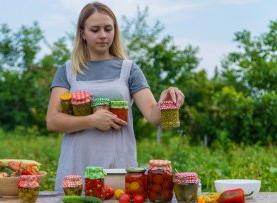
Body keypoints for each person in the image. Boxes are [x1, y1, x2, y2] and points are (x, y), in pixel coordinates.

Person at [46, 2, 184, 192]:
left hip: (118, 166)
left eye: (108, 29)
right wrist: (92, 120)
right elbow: (53, 121)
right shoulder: (68, 71)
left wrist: (167, 100)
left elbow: (154, 116)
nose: (103, 35)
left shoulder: (129, 69)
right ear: (82, 33)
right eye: (95, 29)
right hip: (77, 165)